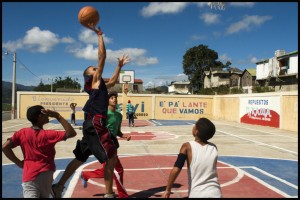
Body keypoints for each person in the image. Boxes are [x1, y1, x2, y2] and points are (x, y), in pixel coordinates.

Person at [51, 25, 130, 198]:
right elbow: (102, 56)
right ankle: (109, 194)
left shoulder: (100, 85)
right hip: (96, 124)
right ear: (90, 76)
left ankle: (58, 186)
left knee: (80, 158)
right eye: (94, 69)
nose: (97, 69)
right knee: (110, 159)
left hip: (90, 126)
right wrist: (100, 35)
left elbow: (115, 80)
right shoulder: (94, 82)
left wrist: (119, 66)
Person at [2, 105, 77, 198]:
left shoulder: (22, 133)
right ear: (39, 116)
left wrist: (18, 163)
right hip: (46, 175)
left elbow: (5, 147)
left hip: (30, 175)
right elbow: (71, 133)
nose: (48, 115)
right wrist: (58, 116)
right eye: (45, 113)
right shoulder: (49, 135)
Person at [81, 92, 131, 198]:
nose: (114, 99)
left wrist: (124, 136)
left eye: (116, 98)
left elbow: (117, 131)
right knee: (116, 170)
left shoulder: (119, 115)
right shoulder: (104, 114)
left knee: (108, 170)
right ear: (107, 100)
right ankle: (121, 195)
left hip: (113, 143)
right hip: (105, 143)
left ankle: (86, 175)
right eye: (112, 98)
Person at [162, 118, 222, 198]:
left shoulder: (187, 146)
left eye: (194, 126)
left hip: (197, 193)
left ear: (196, 131)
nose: (193, 127)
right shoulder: (214, 147)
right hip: (216, 192)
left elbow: (176, 169)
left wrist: (168, 190)